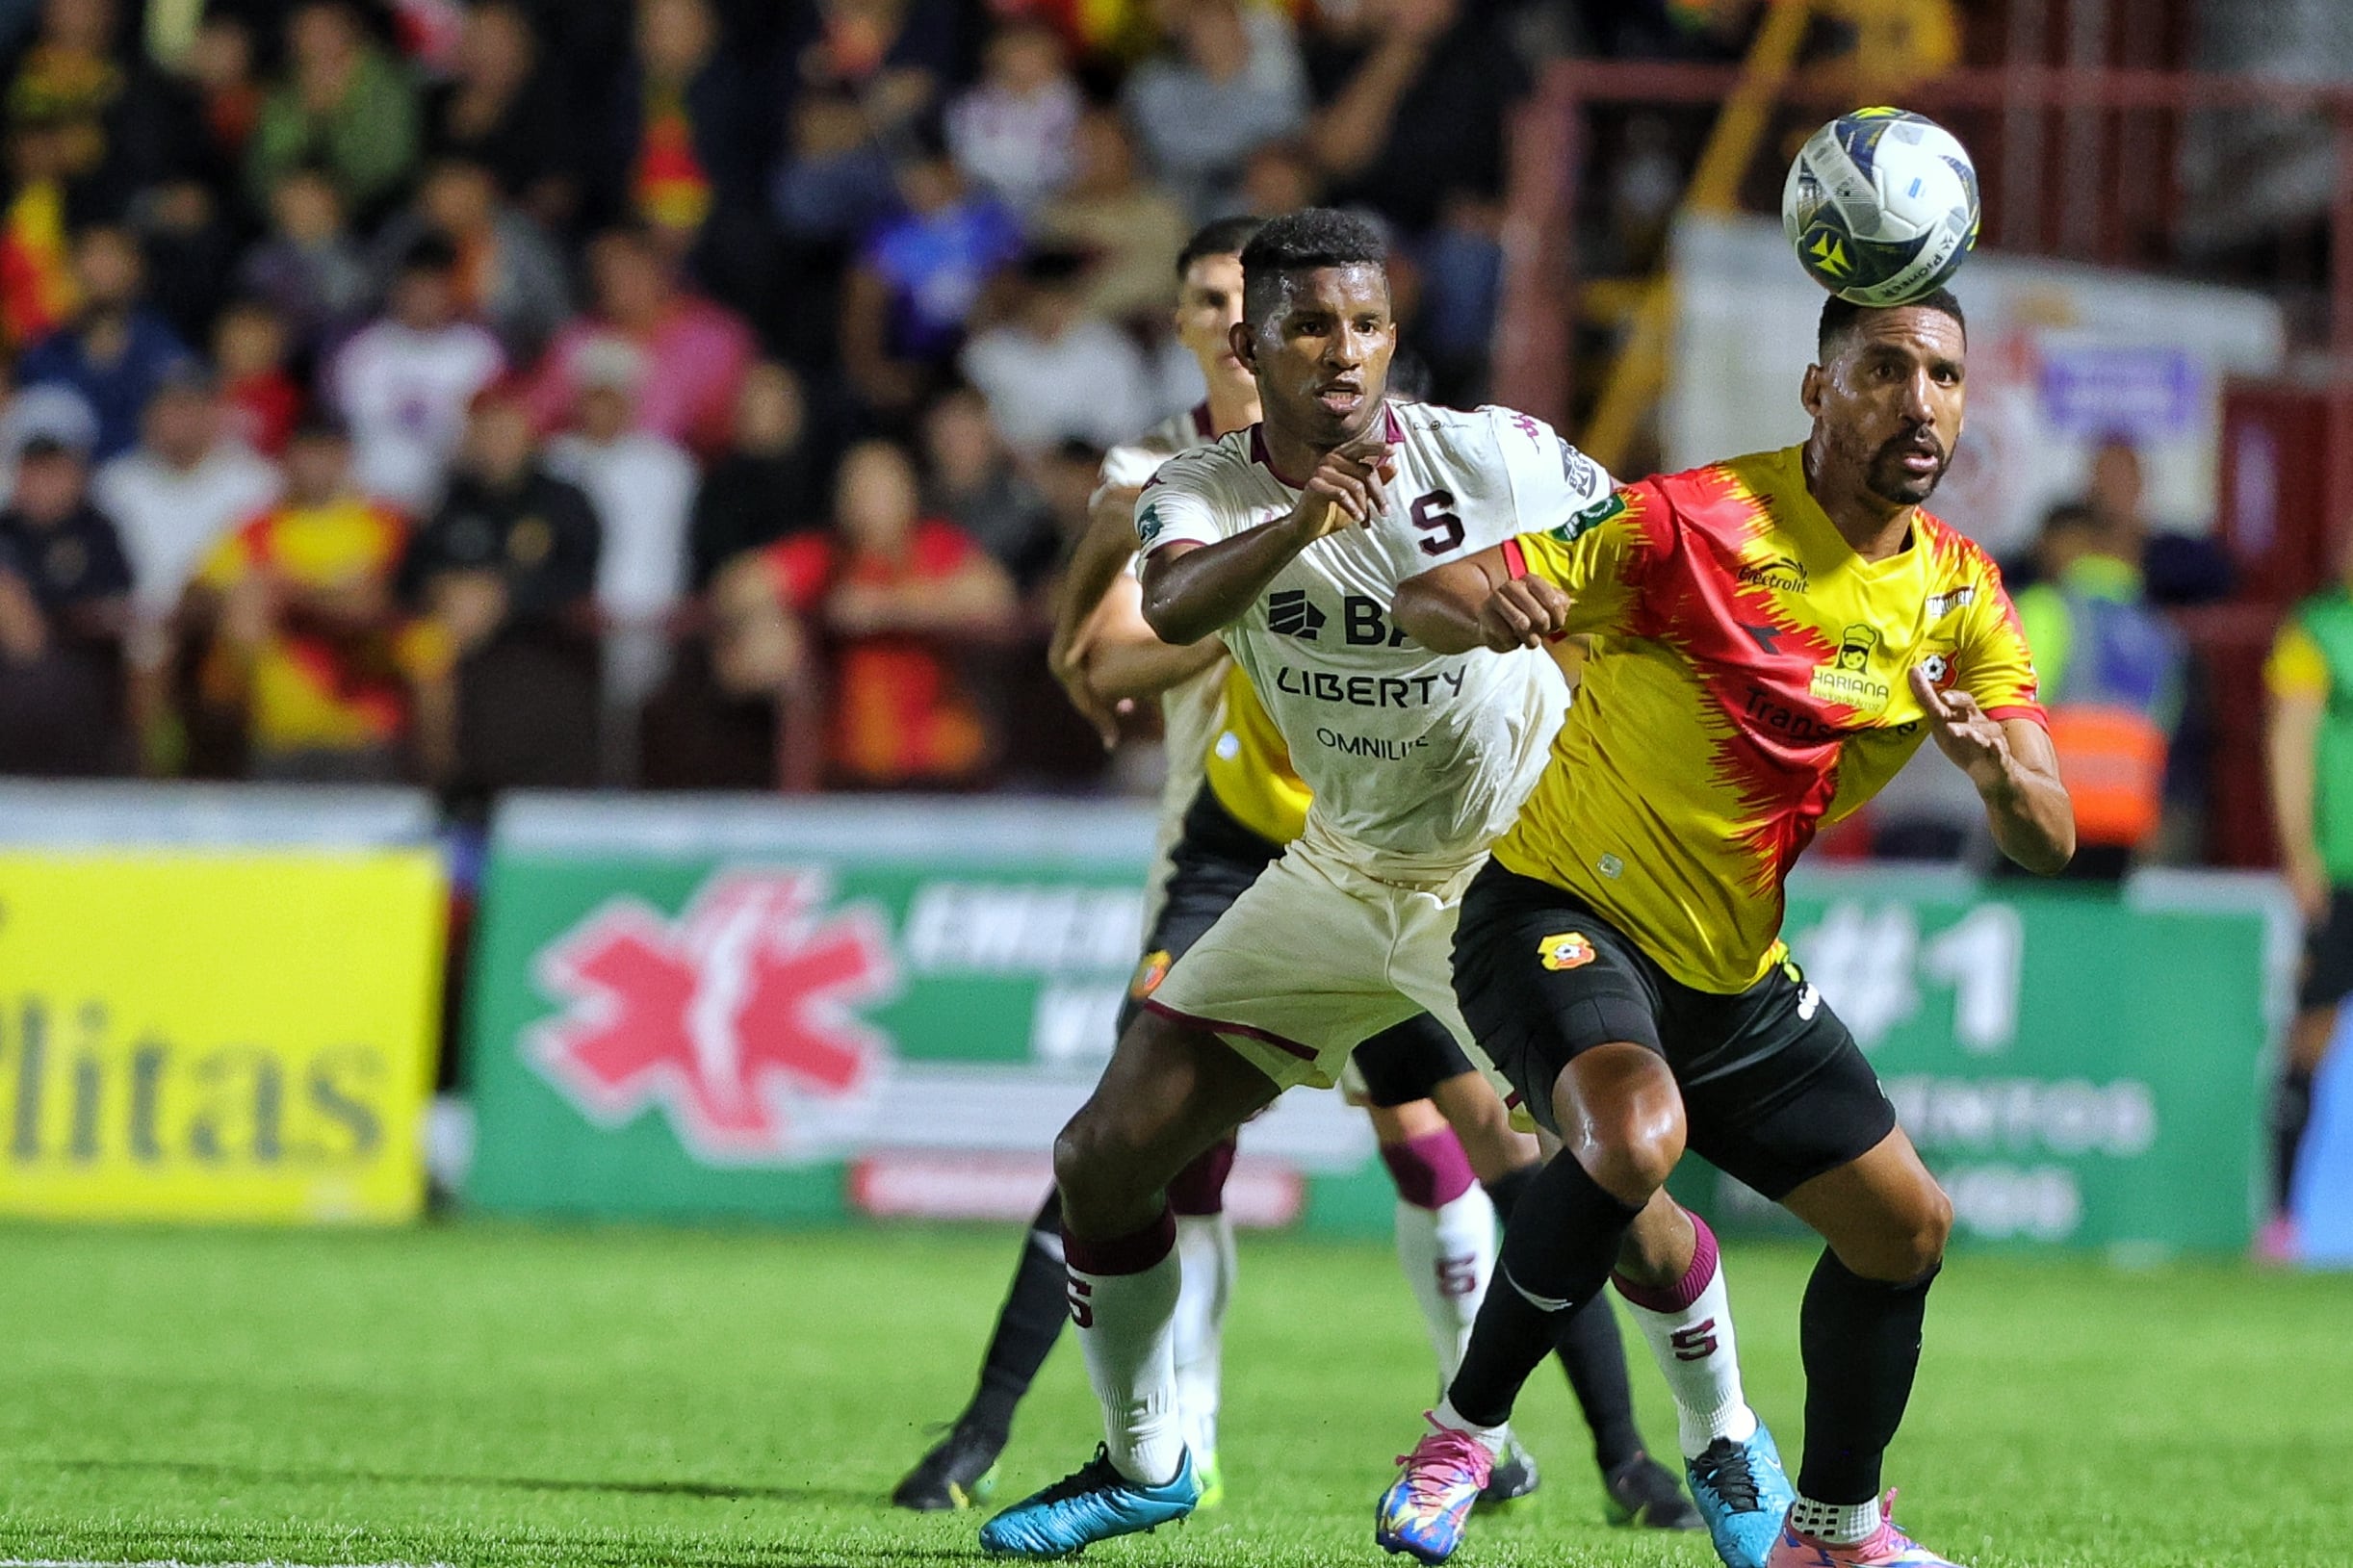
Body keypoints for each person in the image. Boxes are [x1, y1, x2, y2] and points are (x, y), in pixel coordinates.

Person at [975, 209, 1759, 1561]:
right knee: (1105, 1158)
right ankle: (1146, 1457)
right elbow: (1166, 609)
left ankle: (1725, 1442)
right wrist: (1296, 522)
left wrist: (1568, 615)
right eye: (1311, 326)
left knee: (1615, 1197)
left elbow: (1645, 571)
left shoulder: (1493, 453)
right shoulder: (1201, 485)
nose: (1345, 352)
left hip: (1506, 880)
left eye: (1369, 323)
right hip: (1336, 879)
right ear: (1249, 341)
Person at [1379, 287, 2072, 1568]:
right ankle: (1461, 1434)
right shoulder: (1691, 519)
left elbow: (2051, 834)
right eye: (1886, 370)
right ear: (1819, 390)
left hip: (1728, 969)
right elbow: (1432, 592)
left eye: (1944, 376)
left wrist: (1994, 776)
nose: (1921, 401)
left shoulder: (1961, 593)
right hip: (1555, 911)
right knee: (1637, 1133)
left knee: (1903, 1227)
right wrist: (1492, 606)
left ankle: (1836, 1535)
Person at [2261, 527, 2353, 1261]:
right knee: (2313, 1036)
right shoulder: (2316, 631)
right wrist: (2300, 852)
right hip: (2342, 870)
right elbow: (2291, 740)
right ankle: (2285, 1217)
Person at [2010, 501, 2185, 880]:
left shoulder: (2047, 610)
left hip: (2046, 812)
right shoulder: (2160, 633)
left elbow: (2006, 709)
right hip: (2125, 815)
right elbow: (2164, 727)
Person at [329, 234, 505, 515]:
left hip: (453, 499)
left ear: (451, 290)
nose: (425, 297)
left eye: (435, 287)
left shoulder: (477, 352)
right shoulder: (363, 352)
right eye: (416, 286)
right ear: (398, 288)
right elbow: (345, 433)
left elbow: (494, 431)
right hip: (373, 499)